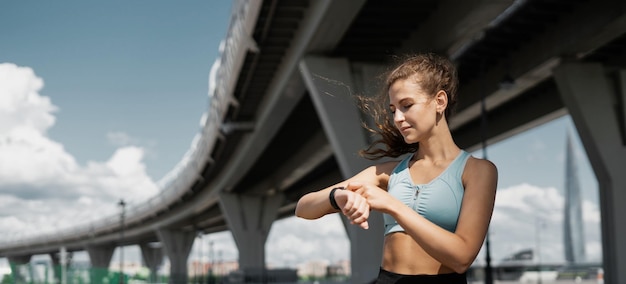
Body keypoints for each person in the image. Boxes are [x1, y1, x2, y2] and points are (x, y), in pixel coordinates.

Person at [295, 53, 498, 284]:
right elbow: (303, 208)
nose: (397, 118)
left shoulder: (477, 171)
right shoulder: (390, 172)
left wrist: (393, 206)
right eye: (393, 109)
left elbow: (462, 257)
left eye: (407, 106)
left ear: (439, 101)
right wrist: (337, 196)